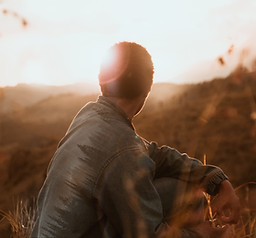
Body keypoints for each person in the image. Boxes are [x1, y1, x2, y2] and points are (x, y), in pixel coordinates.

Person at [30, 41, 240, 238]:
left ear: (101, 81)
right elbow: (148, 234)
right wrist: (201, 235)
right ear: (146, 91)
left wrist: (217, 181)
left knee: (172, 187)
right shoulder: (122, 148)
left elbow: (157, 155)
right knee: (185, 194)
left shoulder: (88, 115)